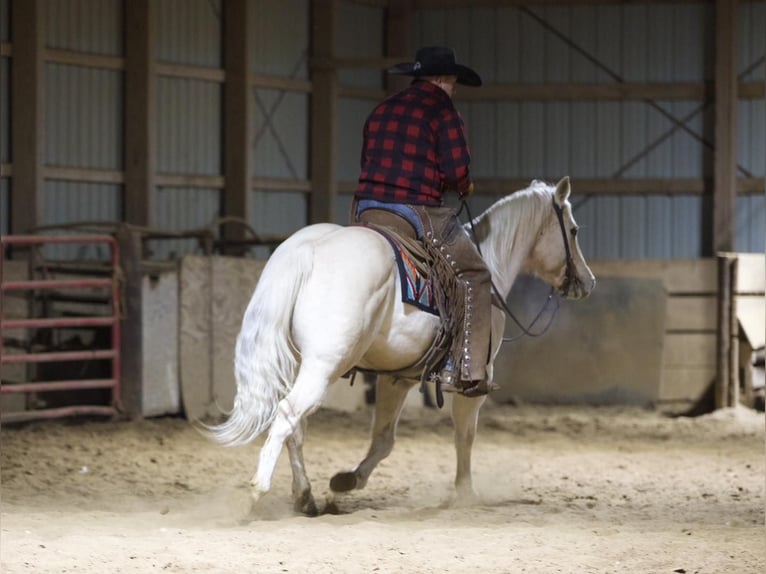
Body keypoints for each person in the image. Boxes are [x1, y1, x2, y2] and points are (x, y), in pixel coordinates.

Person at [350, 46, 494, 397]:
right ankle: (466, 368)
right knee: (474, 275)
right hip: (416, 210)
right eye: (454, 83)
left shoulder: (381, 109)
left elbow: (368, 158)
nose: (454, 89)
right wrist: (464, 186)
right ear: (445, 80)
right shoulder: (443, 111)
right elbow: (456, 169)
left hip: (367, 209)